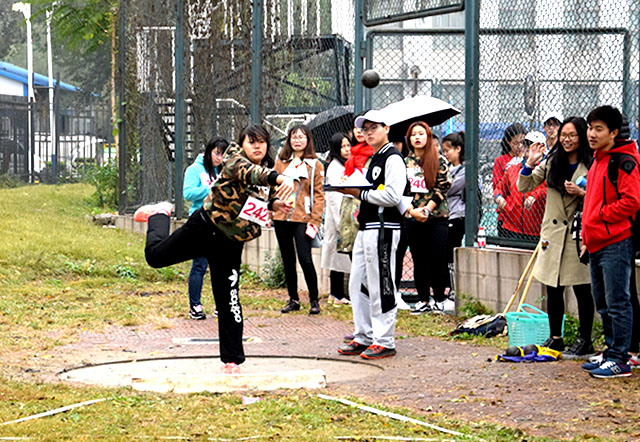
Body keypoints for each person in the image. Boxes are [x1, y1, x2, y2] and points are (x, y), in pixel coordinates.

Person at [134, 124, 294, 373]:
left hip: (230, 243)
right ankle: (159, 215)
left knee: (229, 299)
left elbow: (257, 200)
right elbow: (249, 173)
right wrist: (281, 178)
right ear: (242, 144)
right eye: (251, 142)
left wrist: (274, 205)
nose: (257, 146)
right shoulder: (234, 159)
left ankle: (232, 360)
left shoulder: (267, 173)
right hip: (205, 228)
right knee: (155, 257)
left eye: (261, 142)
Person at [517, 117, 595, 357]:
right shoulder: (552, 161)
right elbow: (524, 186)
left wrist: (581, 192)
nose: (566, 140)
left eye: (572, 135)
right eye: (563, 135)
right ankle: (556, 338)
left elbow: (601, 196)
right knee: (553, 287)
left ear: (581, 137)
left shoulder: (592, 164)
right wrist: (529, 163)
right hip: (552, 234)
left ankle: (585, 339)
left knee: (582, 288)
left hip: (577, 234)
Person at [336, 109, 408, 359]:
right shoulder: (374, 158)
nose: (368, 133)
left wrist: (360, 193)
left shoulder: (393, 158)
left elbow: (393, 195)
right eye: (365, 129)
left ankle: (384, 339)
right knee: (357, 283)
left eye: (374, 128)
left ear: (386, 128)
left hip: (384, 227)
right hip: (366, 226)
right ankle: (364, 334)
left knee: (381, 283)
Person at [580, 105, 640, 378]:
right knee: (603, 303)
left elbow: (632, 201)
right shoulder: (598, 160)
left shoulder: (623, 162)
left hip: (616, 242)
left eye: (599, 129)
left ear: (614, 133)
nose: (592, 134)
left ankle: (621, 358)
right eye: (590, 128)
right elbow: (591, 201)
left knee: (618, 301)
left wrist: (603, 216)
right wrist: (587, 235)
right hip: (596, 243)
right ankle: (611, 350)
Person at [272, 125, 325, 315]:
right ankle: (293, 299)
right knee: (287, 259)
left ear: (308, 140)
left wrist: (315, 220)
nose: (297, 140)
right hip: (281, 217)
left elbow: (319, 195)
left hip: (303, 217)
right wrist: (272, 210)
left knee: (305, 258)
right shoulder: (281, 162)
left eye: (301, 137)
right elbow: (272, 187)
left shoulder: (315, 164)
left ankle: (314, 300)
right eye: (294, 137)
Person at [403, 122, 452, 314]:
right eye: (413, 134)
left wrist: (427, 210)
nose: (417, 137)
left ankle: (439, 298)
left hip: (436, 216)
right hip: (413, 217)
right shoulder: (405, 162)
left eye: (421, 134)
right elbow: (402, 190)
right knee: (419, 258)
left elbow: (443, 186)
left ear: (428, 136)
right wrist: (412, 211)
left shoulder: (439, 160)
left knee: (438, 257)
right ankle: (423, 299)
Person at [182, 137, 229, 320]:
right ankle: (195, 305)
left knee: (221, 266)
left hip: (221, 222)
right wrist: (211, 189)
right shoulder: (195, 170)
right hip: (200, 221)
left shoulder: (223, 170)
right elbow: (188, 193)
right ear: (209, 152)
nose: (219, 158)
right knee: (200, 264)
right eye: (216, 153)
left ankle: (221, 305)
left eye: (222, 155)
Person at [494, 132, 547, 241]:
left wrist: (535, 195)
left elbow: (549, 189)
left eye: (533, 145)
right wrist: (499, 197)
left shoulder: (548, 170)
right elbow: (499, 188)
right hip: (511, 227)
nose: (528, 148)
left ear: (542, 149)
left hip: (537, 230)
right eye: (526, 144)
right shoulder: (513, 169)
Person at [321, 132, 352, 305]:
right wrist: (341, 223)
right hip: (339, 218)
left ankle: (336, 294)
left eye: (348, 145)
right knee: (337, 257)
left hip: (343, 217)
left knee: (338, 258)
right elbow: (334, 199)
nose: (347, 149)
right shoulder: (335, 168)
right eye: (343, 146)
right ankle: (337, 294)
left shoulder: (344, 165)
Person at [493, 123, 528, 238]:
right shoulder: (501, 161)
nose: (519, 146)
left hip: (526, 216)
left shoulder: (529, 160)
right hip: (506, 214)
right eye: (515, 143)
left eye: (522, 142)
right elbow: (497, 185)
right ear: (508, 142)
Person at [442, 131, 465, 295]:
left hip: (457, 215)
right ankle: (449, 287)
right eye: (443, 151)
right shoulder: (447, 168)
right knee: (444, 253)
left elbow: (448, 188)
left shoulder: (465, 170)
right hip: (446, 214)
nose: (445, 154)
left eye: (447, 150)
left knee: (452, 252)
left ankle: (454, 289)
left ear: (458, 149)